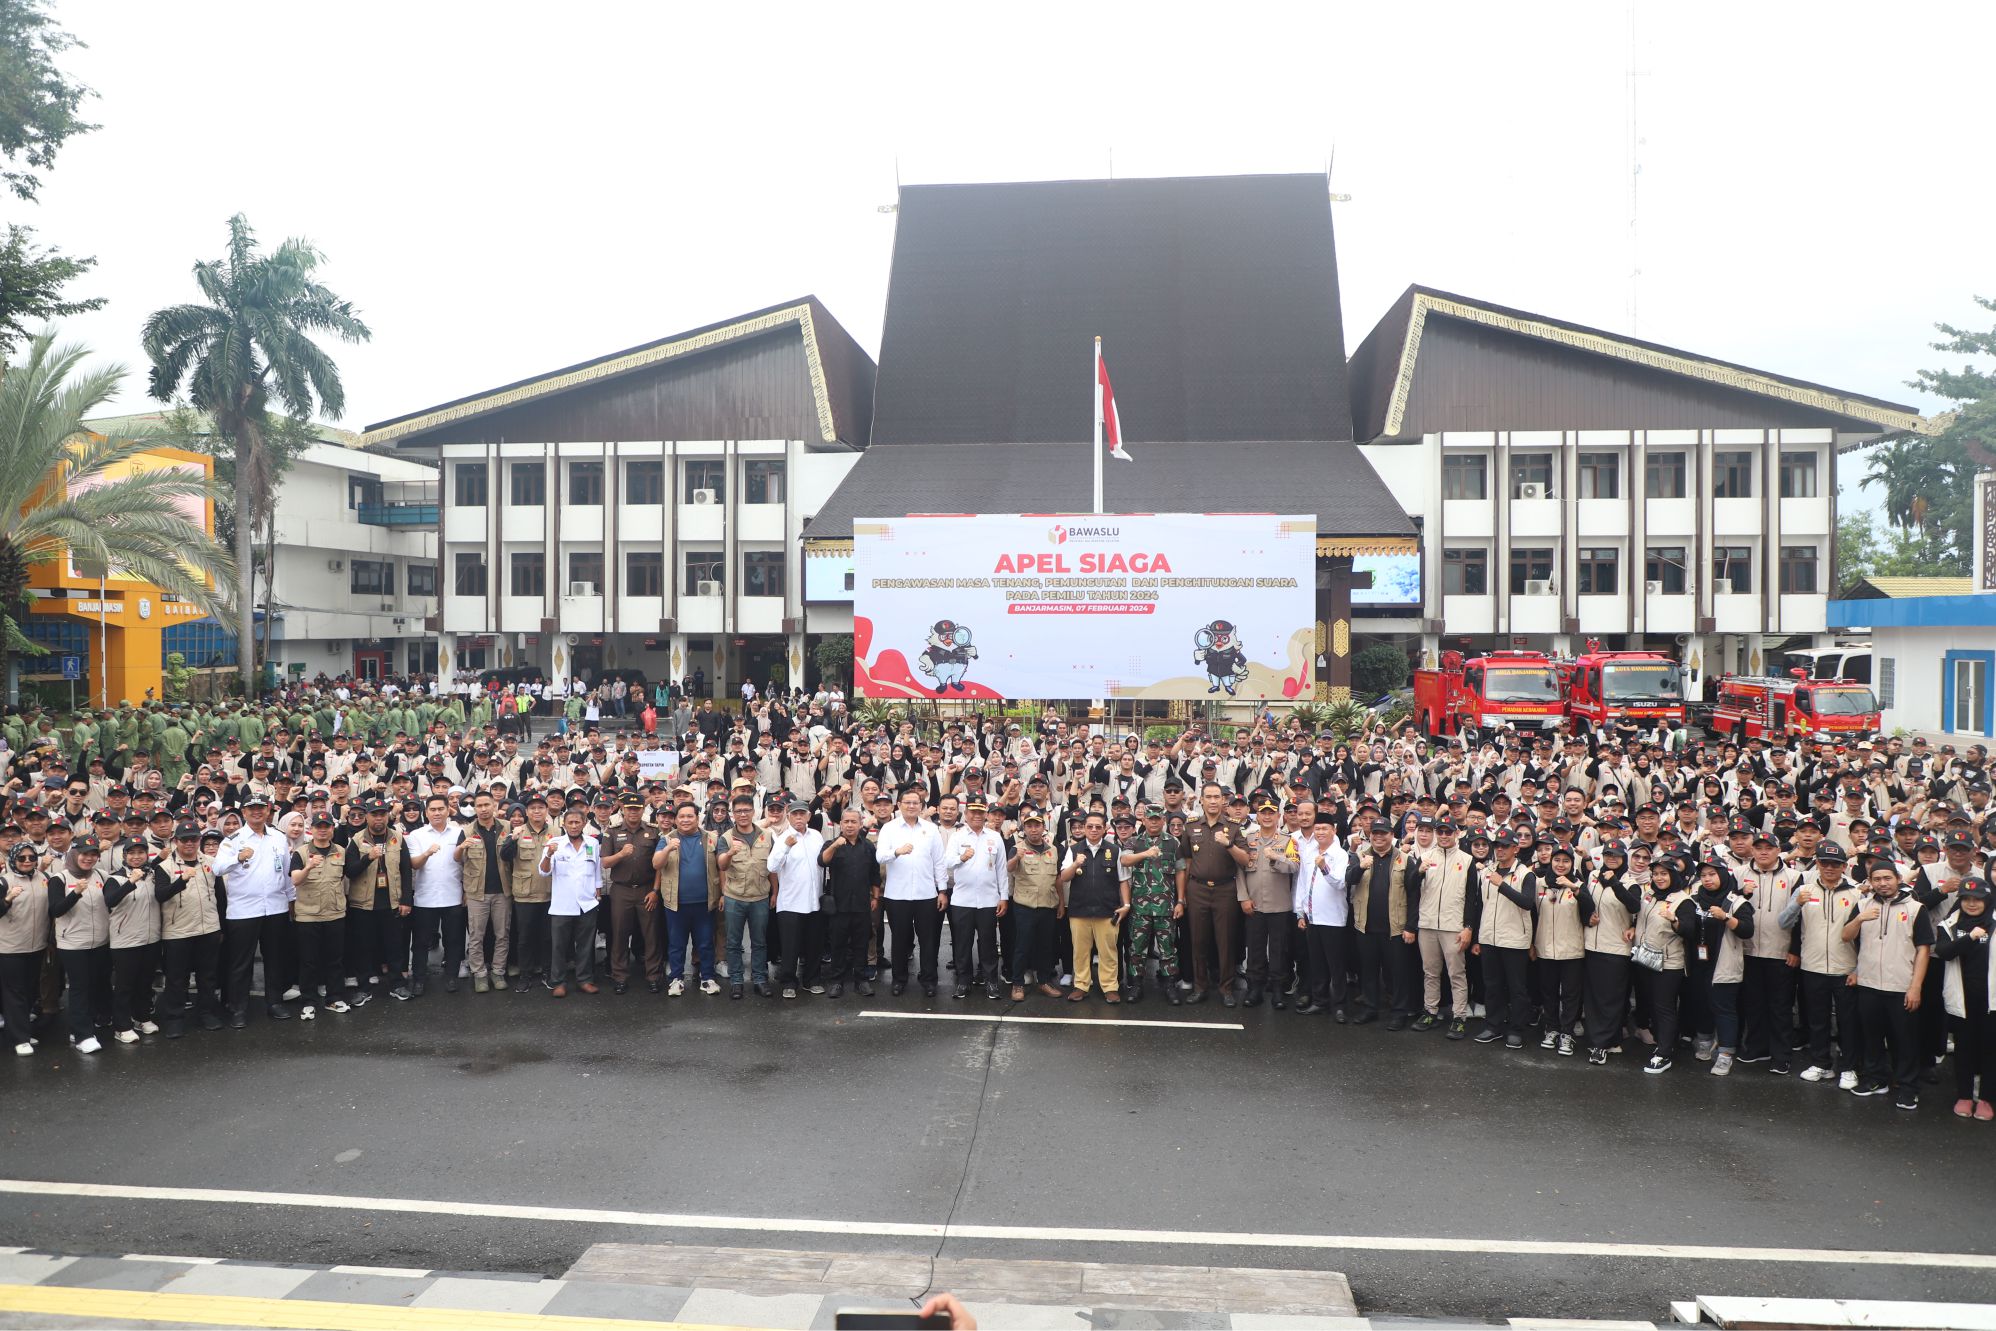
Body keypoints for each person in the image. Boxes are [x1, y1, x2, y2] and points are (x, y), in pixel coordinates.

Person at [1845, 857, 1934, 1110]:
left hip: (1901, 985)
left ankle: (1908, 1087)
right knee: (1871, 1036)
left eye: (1887, 878)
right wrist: (1859, 919)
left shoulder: (1916, 908)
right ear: (1870, 882)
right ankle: (1876, 1080)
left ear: (1897, 879)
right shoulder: (1862, 904)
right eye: (1876, 879)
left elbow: (1923, 950)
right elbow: (1845, 936)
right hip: (1869, 984)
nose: (1882, 884)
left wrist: (1915, 986)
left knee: (1905, 1040)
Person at [1783, 840, 1864, 1089]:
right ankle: (1821, 1064)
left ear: (1844, 866)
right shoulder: (1804, 890)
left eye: (1835, 864)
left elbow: (1866, 936)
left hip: (1845, 967)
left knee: (1848, 1021)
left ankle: (1849, 1068)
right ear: (1817, 864)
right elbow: (1784, 923)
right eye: (1825, 863)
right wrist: (1797, 904)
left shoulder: (1856, 893)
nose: (1829, 868)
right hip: (1813, 966)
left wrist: (1858, 969)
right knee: (1817, 1020)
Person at [212, 794, 295, 1025]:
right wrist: (238, 858)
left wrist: (291, 901)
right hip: (243, 911)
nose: (257, 812)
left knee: (275, 959)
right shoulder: (233, 839)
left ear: (268, 811)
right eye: (252, 809)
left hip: (276, 908)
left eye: (261, 808)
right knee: (241, 963)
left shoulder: (278, 837)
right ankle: (238, 1008)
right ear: (244, 813)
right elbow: (217, 868)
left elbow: (286, 872)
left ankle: (275, 1003)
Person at [152, 822, 225, 1037]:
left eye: (194, 839)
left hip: (208, 928)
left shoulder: (211, 863)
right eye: (185, 839)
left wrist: (220, 927)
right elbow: (161, 895)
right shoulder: (164, 866)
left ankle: (207, 1013)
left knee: (207, 975)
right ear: (176, 841)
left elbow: (221, 896)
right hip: (178, 931)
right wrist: (181, 881)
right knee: (176, 978)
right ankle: (174, 1018)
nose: (190, 843)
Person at [1178, 782, 1246, 1006]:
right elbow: (1187, 860)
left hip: (1225, 889)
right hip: (1197, 889)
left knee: (1225, 940)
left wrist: (1228, 845)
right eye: (1209, 797)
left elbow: (1246, 860)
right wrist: (1184, 893)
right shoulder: (1191, 826)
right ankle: (1200, 987)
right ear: (1201, 800)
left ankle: (1226, 989)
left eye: (1217, 796)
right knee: (1198, 940)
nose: (1214, 801)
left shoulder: (1234, 827)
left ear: (1223, 800)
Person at [876, 785, 947, 997]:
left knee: (928, 940)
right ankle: (899, 979)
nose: (911, 806)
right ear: (899, 805)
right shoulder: (889, 829)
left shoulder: (930, 828)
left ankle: (929, 980)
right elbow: (880, 857)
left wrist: (942, 890)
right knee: (899, 940)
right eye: (907, 802)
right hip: (897, 895)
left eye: (916, 803)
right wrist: (896, 852)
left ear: (921, 805)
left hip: (926, 894)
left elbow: (939, 862)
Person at [1934, 877, 1996, 1119]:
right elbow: (1944, 952)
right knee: (1964, 1048)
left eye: (1977, 899)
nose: (1971, 904)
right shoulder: (1949, 924)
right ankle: (1964, 1095)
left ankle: (1987, 1099)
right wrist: (1969, 937)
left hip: (1991, 1001)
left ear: (1986, 900)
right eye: (1966, 899)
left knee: (1990, 1049)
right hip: (1962, 1000)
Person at [1686, 859, 1754, 1075]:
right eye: (1704, 875)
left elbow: (1747, 930)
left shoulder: (1736, 902)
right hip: (1698, 962)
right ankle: (1705, 1040)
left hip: (1724, 963)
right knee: (1701, 1002)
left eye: (1712, 874)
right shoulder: (1695, 899)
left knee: (1724, 1008)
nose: (1707, 879)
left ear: (1724, 875)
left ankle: (1725, 1053)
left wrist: (1726, 917)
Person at [1633, 855, 1698, 1075]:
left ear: (1674, 875)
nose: (1659, 878)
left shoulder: (1683, 900)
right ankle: (1663, 1043)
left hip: (1669, 963)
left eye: (1664, 874)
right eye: (1656, 874)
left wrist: (1674, 920)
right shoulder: (1649, 895)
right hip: (1646, 957)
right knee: (1652, 1004)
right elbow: (1643, 920)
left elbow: (1690, 930)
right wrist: (1633, 928)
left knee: (1664, 1007)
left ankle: (1665, 1053)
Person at [651, 801, 722, 996]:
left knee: (706, 942)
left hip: (705, 902)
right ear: (675, 819)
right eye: (681, 816)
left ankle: (707, 978)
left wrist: (722, 893)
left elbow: (721, 866)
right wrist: (667, 849)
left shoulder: (711, 838)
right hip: (676, 903)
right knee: (676, 943)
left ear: (697, 818)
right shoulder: (667, 839)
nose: (685, 820)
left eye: (690, 816)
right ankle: (676, 978)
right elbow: (656, 864)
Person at [49, 834, 112, 1053]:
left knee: (95, 984)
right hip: (73, 943)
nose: (89, 859)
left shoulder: (102, 875)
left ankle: (83, 1026)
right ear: (75, 854)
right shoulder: (60, 878)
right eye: (85, 854)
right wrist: (75, 893)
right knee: (79, 987)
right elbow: (55, 910)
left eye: (94, 854)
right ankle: (82, 1035)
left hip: (100, 941)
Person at [1473, 833, 1537, 1049]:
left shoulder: (1526, 874)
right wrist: (1478, 937)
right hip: (1489, 938)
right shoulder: (1487, 873)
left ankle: (1516, 1029)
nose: (1500, 850)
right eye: (1497, 846)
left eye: (1505, 846)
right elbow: (1481, 905)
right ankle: (1493, 1026)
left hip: (1514, 940)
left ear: (1515, 849)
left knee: (1517, 988)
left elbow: (1528, 903)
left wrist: (1502, 885)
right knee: (1492, 985)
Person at [1413, 819, 1476, 1037]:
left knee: (1456, 973)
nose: (1444, 836)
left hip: (1453, 926)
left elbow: (1471, 898)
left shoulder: (1467, 860)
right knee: (1430, 972)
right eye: (1440, 832)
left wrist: (1468, 927)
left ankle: (1459, 1017)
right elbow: (1411, 887)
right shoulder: (1426, 857)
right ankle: (1430, 1010)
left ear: (1456, 833)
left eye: (1448, 832)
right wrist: (1418, 871)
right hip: (1428, 923)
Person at [1059, 811, 1130, 1002]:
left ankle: (1110, 987)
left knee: (1108, 951)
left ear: (1105, 828)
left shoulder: (1114, 850)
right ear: (1084, 827)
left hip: (1107, 910)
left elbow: (1123, 880)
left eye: (1098, 826)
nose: (1093, 830)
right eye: (1089, 826)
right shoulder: (1074, 850)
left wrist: (1126, 904)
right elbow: (1064, 877)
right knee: (1080, 952)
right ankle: (1081, 985)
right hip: (1079, 910)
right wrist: (1075, 864)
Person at [1579, 840, 1640, 1066]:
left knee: (1611, 999)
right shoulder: (1593, 875)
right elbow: (1585, 903)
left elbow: (1634, 906)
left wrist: (1615, 883)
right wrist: (1587, 916)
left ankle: (1600, 1045)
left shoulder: (1629, 881)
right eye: (1607, 854)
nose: (1611, 858)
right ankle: (1608, 1039)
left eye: (1616, 855)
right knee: (1594, 998)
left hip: (1616, 948)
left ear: (1624, 857)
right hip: (1592, 944)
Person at [287, 813, 350, 1019]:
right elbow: (295, 879)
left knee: (335, 960)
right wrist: (308, 867)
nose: (322, 830)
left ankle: (335, 998)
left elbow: (349, 875)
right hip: (308, 916)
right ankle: (309, 1001)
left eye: (326, 826)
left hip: (335, 913)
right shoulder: (301, 852)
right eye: (318, 826)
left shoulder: (341, 851)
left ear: (332, 829)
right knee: (308, 961)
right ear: (311, 829)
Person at [944, 798, 1007, 1000]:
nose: (977, 816)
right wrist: (961, 858)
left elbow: (1002, 870)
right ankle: (964, 981)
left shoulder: (995, 837)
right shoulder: (957, 837)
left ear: (986, 814)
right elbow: (947, 862)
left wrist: (1003, 897)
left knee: (988, 943)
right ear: (966, 813)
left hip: (989, 900)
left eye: (981, 812)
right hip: (962, 899)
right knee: (962, 943)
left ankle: (991, 981)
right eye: (973, 812)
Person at [599, 794, 662, 995]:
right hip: (621, 891)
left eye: (637, 809)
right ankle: (620, 977)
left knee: (651, 935)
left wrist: (655, 890)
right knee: (619, 934)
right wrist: (621, 854)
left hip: (646, 890)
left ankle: (653, 976)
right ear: (623, 810)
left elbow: (660, 865)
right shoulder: (612, 832)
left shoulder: (653, 831)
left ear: (643, 810)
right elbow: (605, 862)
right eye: (629, 809)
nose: (633, 812)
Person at [404, 795, 466, 996]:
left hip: (453, 895)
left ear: (448, 810)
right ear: (426, 812)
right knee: (421, 942)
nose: (437, 813)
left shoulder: (459, 833)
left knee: (454, 940)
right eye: (433, 809)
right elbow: (414, 864)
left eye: (441, 809)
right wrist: (427, 854)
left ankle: (451, 977)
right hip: (425, 897)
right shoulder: (416, 835)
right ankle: (419, 979)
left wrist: (466, 891)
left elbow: (467, 864)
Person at [1292, 810, 1351, 1019]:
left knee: (1336, 966)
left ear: (1334, 830)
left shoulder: (1340, 854)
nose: (1320, 832)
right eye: (1317, 829)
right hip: (1313, 917)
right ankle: (1320, 1001)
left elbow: (1340, 883)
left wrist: (1325, 868)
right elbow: (1302, 883)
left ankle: (1340, 1005)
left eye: (1324, 828)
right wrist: (1300, 912)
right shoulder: (1310, 852)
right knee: (1316, 963)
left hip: (1333, 918)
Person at [455, 791, 515, 994]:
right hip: (476, 892)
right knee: (476, 935)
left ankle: (498, 971)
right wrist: (461, 847)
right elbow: (457, 859)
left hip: (503, 890)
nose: (482, 809)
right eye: (479, 806)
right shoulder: (467, 830)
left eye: (486, 805)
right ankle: (479, 974)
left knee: (502, 934)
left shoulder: (507, 827)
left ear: (494, 806)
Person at [1120, 805, 1180, 1005]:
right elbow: (1125, 860)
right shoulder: (1134, 841)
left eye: (1158, 818)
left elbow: (1180, 872)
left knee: (1168, 949)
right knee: (1137, 949)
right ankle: (1136, 985)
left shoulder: (1173, 842)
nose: (1154, 822)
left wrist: (1181, 900)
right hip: (1140, 907)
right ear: (1143, 821)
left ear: (1163, 820)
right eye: (1150, 818)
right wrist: (1145, 853)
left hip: (1166, 907)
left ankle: (1170, 985)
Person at [766, 800, 826, 999]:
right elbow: (772, 867)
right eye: (795, 814)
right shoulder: (783, 837)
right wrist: (785, 847)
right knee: (790, 946)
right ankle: (789, 982)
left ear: (809, 816)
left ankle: (812, 980)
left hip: (814, 901)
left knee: (814, 944)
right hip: (791, 902)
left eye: (802, 814)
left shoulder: (816, 836)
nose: (799, 818)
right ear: (788, 816)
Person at [541, 808, 602, 997]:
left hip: (587, 903)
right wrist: (549, 855)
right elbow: (543, 871)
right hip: (562, 905)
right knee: (559, 946)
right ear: (564, 824)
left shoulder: (592, 843)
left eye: (578, 822)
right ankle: (558, 982)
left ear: (584, 823)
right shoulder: (554, 843)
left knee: (585, 945)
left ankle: (584, 980)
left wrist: (597, 894)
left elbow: (597, 871)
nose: (574, 826)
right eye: (570, 822)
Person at [819, 808, 878, 998]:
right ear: (841, 824)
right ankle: (836, 981)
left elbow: (874, 875)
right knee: (838, 945)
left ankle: (861, 980)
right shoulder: (832, 844)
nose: (850, 825)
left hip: (862, 905)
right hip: (839, 906)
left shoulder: (868, 846)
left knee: (861, 944)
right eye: (846, 822)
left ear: (860, 824)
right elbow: (822, 861)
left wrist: (875, 897)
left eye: (854, 822)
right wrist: (835, 845)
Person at [1006, 810, 1063, 1001]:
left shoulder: (1052, 850)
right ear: (1024, 829)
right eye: (1029, 826)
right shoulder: (1017, 848)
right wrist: (1017, 857)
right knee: (1022, 946)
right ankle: (1017, 984)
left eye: (1036, 825)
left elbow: (1057, 879)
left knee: (1046, 946)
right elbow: (1009, 868)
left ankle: (1044, 981)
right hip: (1025, 906)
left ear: (1043, 827)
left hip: (1047, 905)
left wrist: (1061, 903)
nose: (1033, 829)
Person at [503, 795, 556, 990]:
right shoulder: (517, 831)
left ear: (546, 810)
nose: (537, 811)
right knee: (524, 937)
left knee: (548, 937)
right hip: (524, 894)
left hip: (550, 893)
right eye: (532, 808)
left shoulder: (557, 831)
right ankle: (525, 976)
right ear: (527, 812)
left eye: (541, 807)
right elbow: (505, 856)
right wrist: (513, 838)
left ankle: (547, 972)